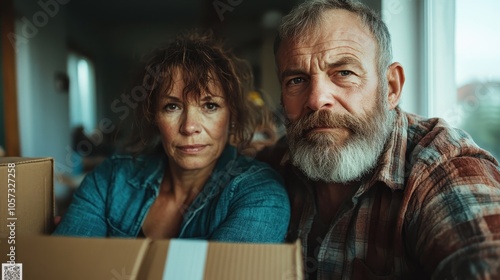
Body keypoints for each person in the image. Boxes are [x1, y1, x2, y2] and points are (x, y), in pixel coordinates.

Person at [269, 0, 500, 278]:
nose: (317, 100)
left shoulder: (439, 164)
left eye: (344, 73)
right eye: (296, 80)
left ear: (391, 87)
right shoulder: (272, 166)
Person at [53, 30, 291, 243]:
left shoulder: (259, 194)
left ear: (232, 116)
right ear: (154, 117)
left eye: (210, 106)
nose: (189, 127)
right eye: (172, 107)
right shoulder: (109, 180)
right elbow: (63, 266)